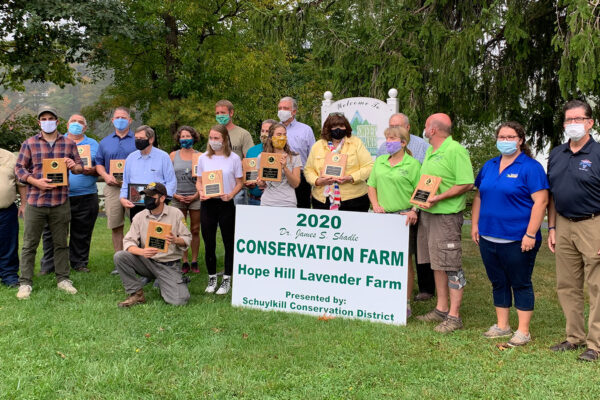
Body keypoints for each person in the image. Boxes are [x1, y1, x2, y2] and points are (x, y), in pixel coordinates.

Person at [471, 122, 549, 347]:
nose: (505, 140)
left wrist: (531, 233)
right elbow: (479, 197)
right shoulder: (489, 165)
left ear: (520, 140)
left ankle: (523, 331)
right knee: (498, 281)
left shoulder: (530, 167)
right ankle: (502, 325)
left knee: (520, 282)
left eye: (510, 136)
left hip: (518, 238)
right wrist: (475, 224)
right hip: (488, 236)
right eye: (501, 136)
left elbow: (541, 201)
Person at [547, 99, 600, 361]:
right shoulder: (557, 154)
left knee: (597, 286)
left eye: (578, 119)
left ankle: (596, 344)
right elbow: (553, 194)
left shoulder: (599, 153)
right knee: (567, 285)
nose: (573, 124)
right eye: (569, 120)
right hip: (564, 224)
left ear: (590, 122)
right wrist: (553, 227)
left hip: (594, 224)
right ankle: (574, 337)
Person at [14, 105, 83, 299]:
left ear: (57, 121)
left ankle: (63, 279)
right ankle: (25, 283)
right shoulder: (29, 143)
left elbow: (80, 168)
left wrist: (73, 165)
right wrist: (35, 181)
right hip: (35, 201)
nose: (47, 121)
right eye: (43, 119)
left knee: (61, 243)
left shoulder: (69, 143)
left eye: (50, 118)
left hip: (60, 201)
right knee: (29, 244)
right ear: (39, 122)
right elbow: (19, 169)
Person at [415, 113, 474, 333]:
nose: (424, 129)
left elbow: (466, 183)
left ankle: (454, 316)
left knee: (450, 264)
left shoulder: (455, 150)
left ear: (433, 130)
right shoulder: (432, 150)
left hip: (446, 216)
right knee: (437, 263)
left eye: (425, 126)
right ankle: (441, 308)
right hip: (428, 214)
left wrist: (438, 198)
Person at [377, 113, 435, 301]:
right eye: (390, 126)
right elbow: (375, 179)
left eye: (397, 127)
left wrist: (414, 209)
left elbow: (424, 184)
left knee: (416, 254)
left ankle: (423, 290)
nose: (392, 132)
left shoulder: (423, 148)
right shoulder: (382, 151)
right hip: (385, 213)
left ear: (407, 129)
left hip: (410, 212)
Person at [367, 126, 420, 317]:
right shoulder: (380, 161)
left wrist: (414, 210)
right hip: (381, 218)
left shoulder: (413, 164)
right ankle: (382, 296)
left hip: (403, 218)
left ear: (403, 142)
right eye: (387, 138)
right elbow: (371, 185)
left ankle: (404, 302)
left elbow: (420, 191)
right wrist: (375, 205)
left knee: (404, 261)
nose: (388, 142)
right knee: (380, 259)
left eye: (392, 138)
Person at [40, 114, 100, 274]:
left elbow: (101, 169)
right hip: (58, 194)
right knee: (52, 231)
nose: (77, 124)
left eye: (81, 122)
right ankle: (49, 265)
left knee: (82, 231)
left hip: (86, 195)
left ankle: (79, 263)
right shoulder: (58, 141)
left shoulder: (94, 144)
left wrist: (91, 170)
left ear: (85, 127)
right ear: (66, 125)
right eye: (73, 121)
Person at [114, 182, 191, 307]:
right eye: (146, 196)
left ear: (162, 198)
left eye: (151, 197)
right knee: (120, 256)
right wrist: (142, 252)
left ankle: (171, 282)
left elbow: (187, 239)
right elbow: (128, 242)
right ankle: (136, 294)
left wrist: (175, 240)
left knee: (179, 301)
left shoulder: (176, 213)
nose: (147, 199)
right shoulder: (139, 216)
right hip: (147, 262)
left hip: (169, 265)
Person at [195, 125, 243, 295]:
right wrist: (201, 192)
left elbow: (240, 182)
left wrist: (230, 195)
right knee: (209, 242)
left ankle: (227, 279)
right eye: (211, 138)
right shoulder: (203, 158)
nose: (213, 141)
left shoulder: (234, 159)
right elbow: (199, 180)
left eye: (217, 138)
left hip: (226, 204)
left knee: (229, 242)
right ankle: (212, 277)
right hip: (208, 204)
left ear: (224, 139)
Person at [95, 107, 136, 274]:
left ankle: (138, 260)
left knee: (137, 223)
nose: (120, 120)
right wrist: (105, 176)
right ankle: (120, 262)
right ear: (112, 120)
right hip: (112, 188)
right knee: (116, 224)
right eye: (117, 117)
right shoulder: (104, 142)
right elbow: (98, 163)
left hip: (134, 187)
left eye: (124, 117)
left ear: (130, 120)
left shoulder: (138, 139)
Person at [304, 113, 373, 212]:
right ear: (328, 128)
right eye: (334, 126)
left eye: (341, 126)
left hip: (354, 199)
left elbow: (369, 166)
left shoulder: (356, 143)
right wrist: (317, 181)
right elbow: (308, 169)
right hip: (322, 199)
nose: (338, 129)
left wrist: (351, 178)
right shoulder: (318, 145)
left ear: (346, 127)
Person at [119, 125, 176, 222]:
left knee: (157, 235)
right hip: (136, 204)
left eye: (141, 138)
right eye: (136, 138)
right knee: (137, 235)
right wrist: (122, 198)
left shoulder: (163, 157)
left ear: (151, 139)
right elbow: (126, 182)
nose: (138, 141)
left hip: (158, 204)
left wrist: (163, 199)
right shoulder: (130, 158)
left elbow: (171, 182)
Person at [169, 126, 201, 274]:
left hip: (195, 197)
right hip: (178, 197)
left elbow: (205, 179)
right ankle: (184, 261)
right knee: (180, 230)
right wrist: (174, 194)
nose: (185, 139)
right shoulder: (173, 156)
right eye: (183, 136)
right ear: (178, 138)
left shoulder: (200, 156)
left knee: (195, 229)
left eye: (188, 136)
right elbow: (168, 178)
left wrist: (196, 195)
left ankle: (194, 260)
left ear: (194, 137)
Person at [278, 96, 315, 208]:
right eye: (279, 108)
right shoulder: (274, 128)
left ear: (294, 111)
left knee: (301, 209)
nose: (281, 111)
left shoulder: (306, 130)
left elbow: (313, 156)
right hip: (278, 176)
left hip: (301, 177)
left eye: (285, 108)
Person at [215, 99, 253, 205]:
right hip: (217, 187)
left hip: (238, 187)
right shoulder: (214, 134)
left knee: (237, 220)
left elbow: (249, 160)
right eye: (217, 113)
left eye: (223, 113)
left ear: (231, 113)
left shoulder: (243, 134)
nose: (220, 116)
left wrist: (250, 180)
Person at [257, 123, 302, 207]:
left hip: (288, 203)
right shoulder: (262, 157)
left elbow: (295, 184)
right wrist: (260, 183)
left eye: (284, 135)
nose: (282, 137)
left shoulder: (295, 156)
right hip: (267, 203)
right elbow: (262, 183)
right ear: (271, 138)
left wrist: (285, 168)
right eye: (279, 134)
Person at [0, 147, 26, 288]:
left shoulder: (9, 157)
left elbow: (20, 182)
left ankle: (9, 275)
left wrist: (24, 203)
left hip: (5, 210)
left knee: (8, 244)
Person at [245, 119, 277, 205]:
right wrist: (248, 183)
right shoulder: (251, 151)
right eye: (262, 131)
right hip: (254, 200)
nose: (264, 134)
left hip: (274, 201)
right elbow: (248, 175)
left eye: (267, 131)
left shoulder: (279, 152)